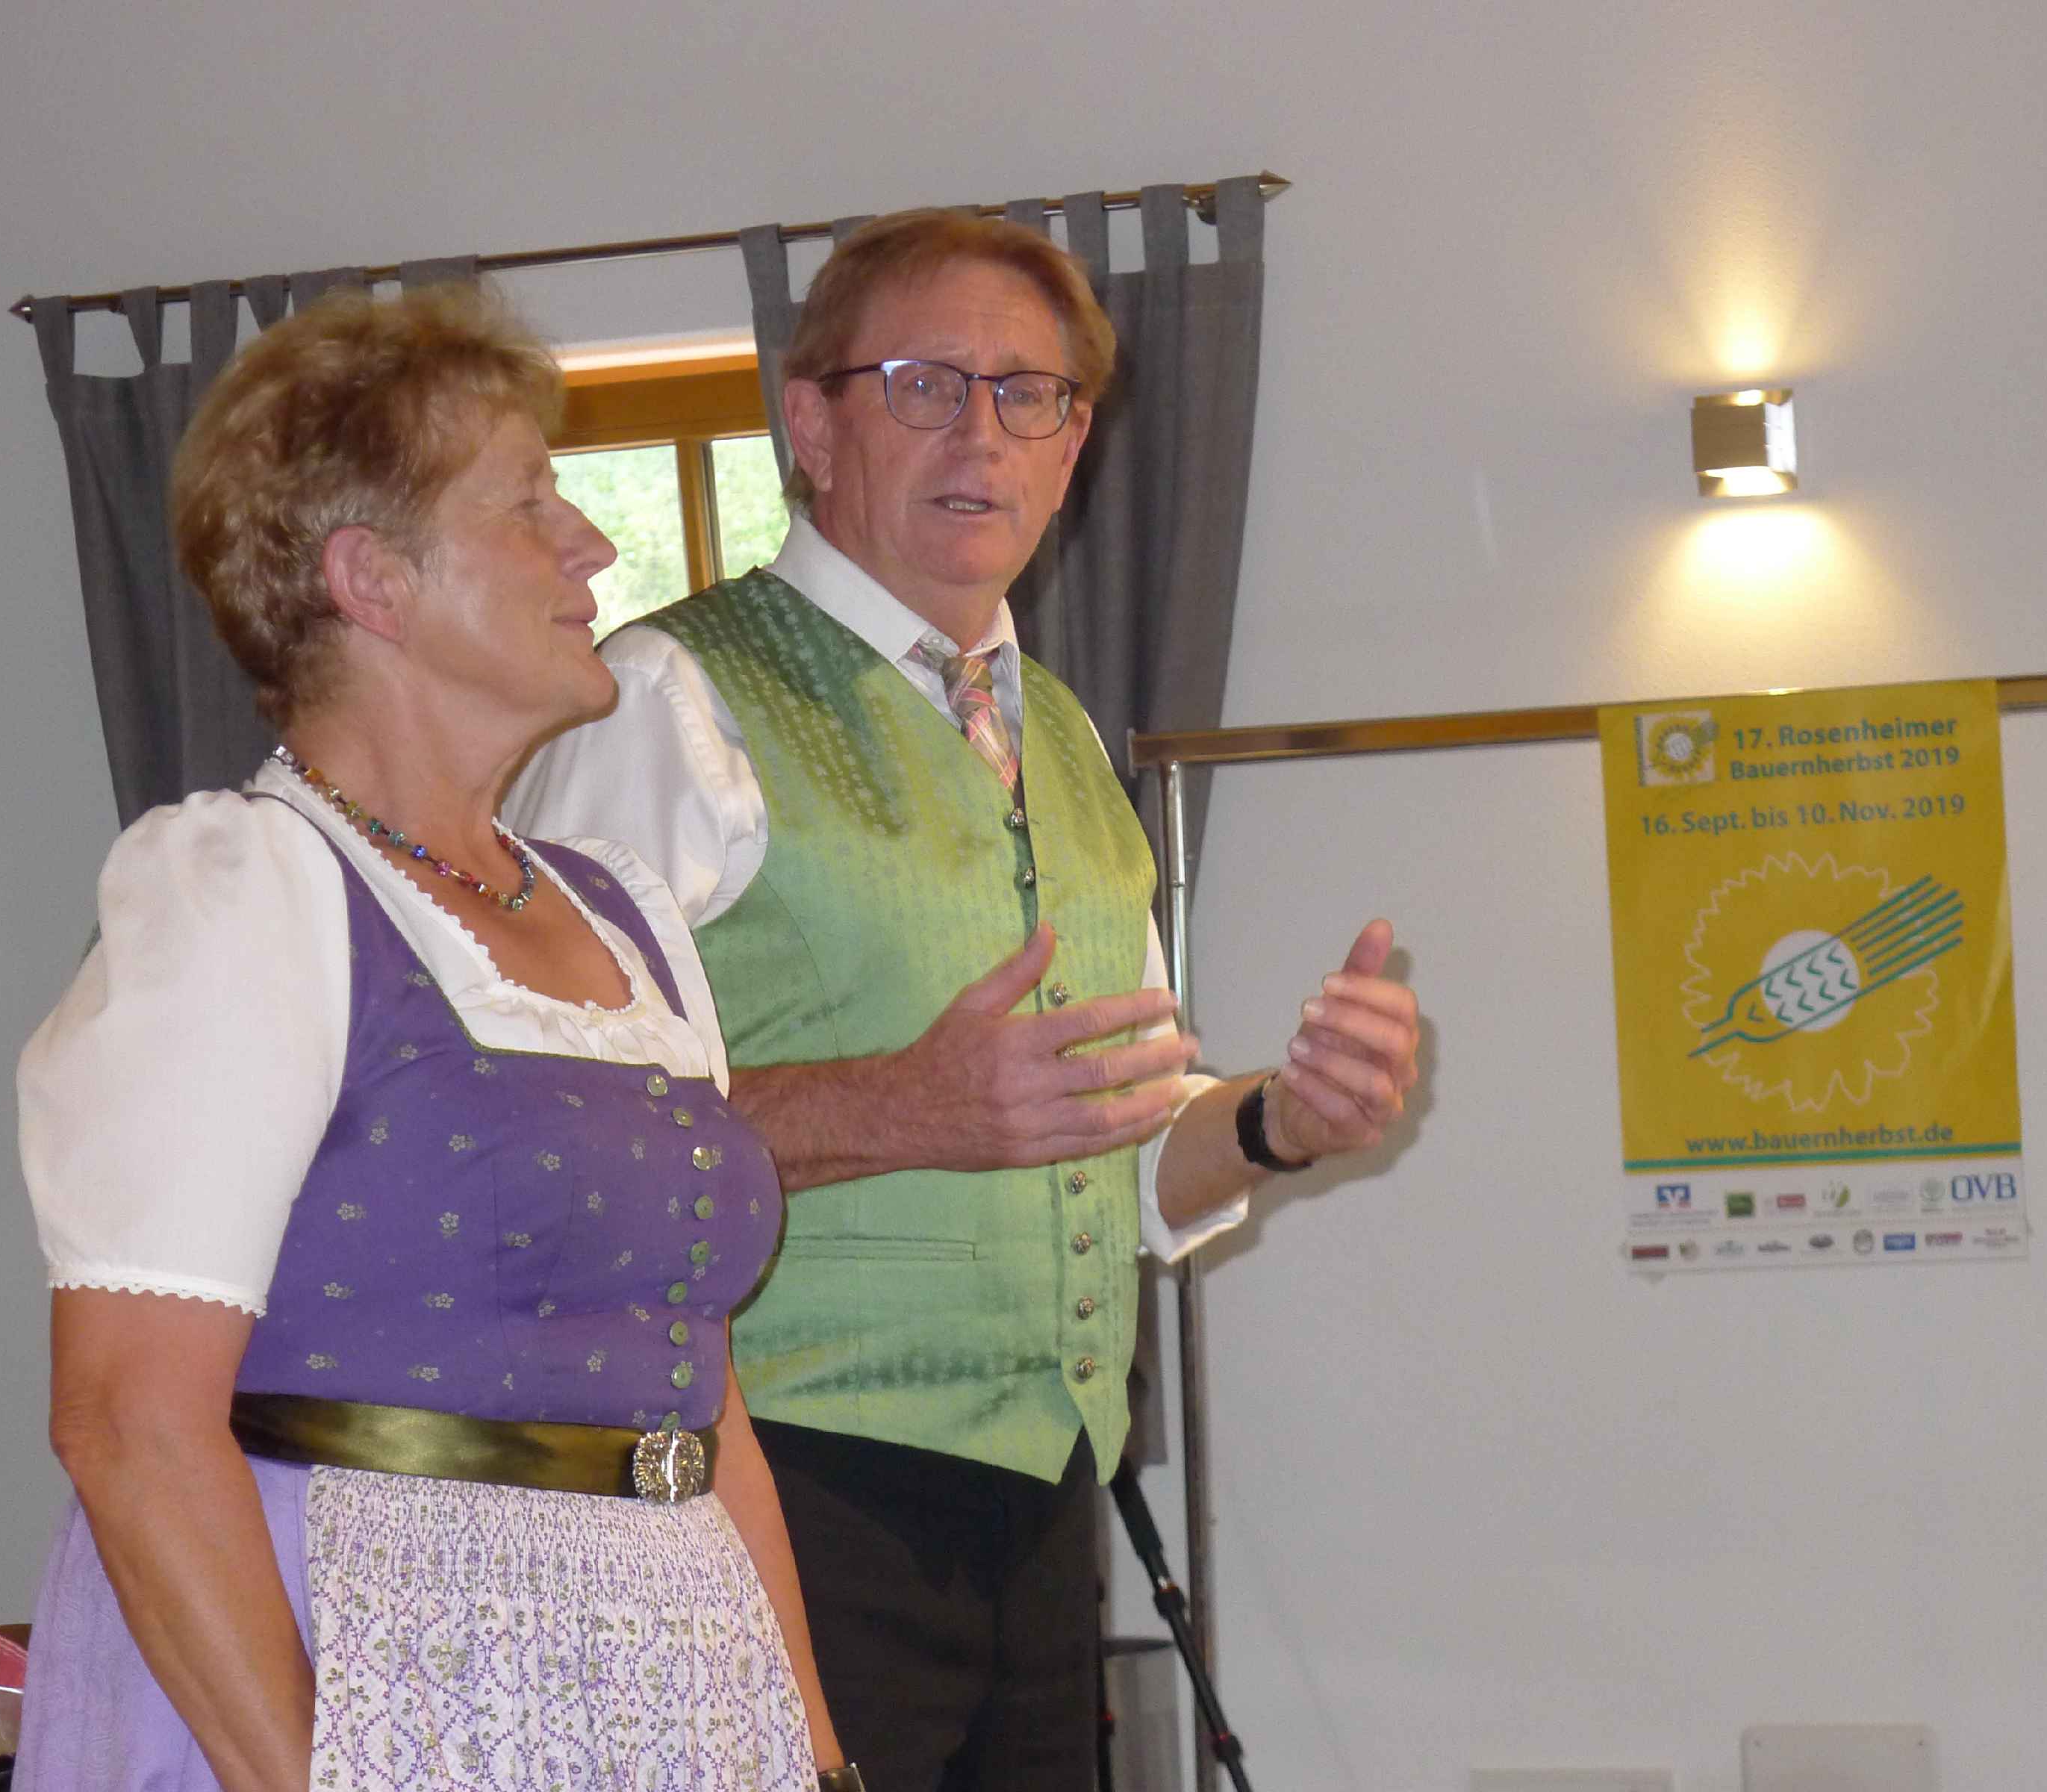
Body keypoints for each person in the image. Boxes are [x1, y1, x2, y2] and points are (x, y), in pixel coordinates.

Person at [507, 211, 1424, 1788]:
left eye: (1029, 395)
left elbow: (1122, 1159)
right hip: (763, 1490)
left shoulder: (1061, 735)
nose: (982, 436)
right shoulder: (664, 700)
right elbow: (537, 1141)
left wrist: (1282, 1122)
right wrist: (894, 1107)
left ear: (1074, 450)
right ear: (811, 425)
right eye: (925, 385)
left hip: (1041, 1506)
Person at [11, 282, 856, 1792]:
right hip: (368, 1659)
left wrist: (811, 1753)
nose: (590, 545)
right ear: (371, 579)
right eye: (529, 503)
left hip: (667, 1658)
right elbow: (131, 1423)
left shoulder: (623, 916)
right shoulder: (244, 895)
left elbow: (701, 1398)